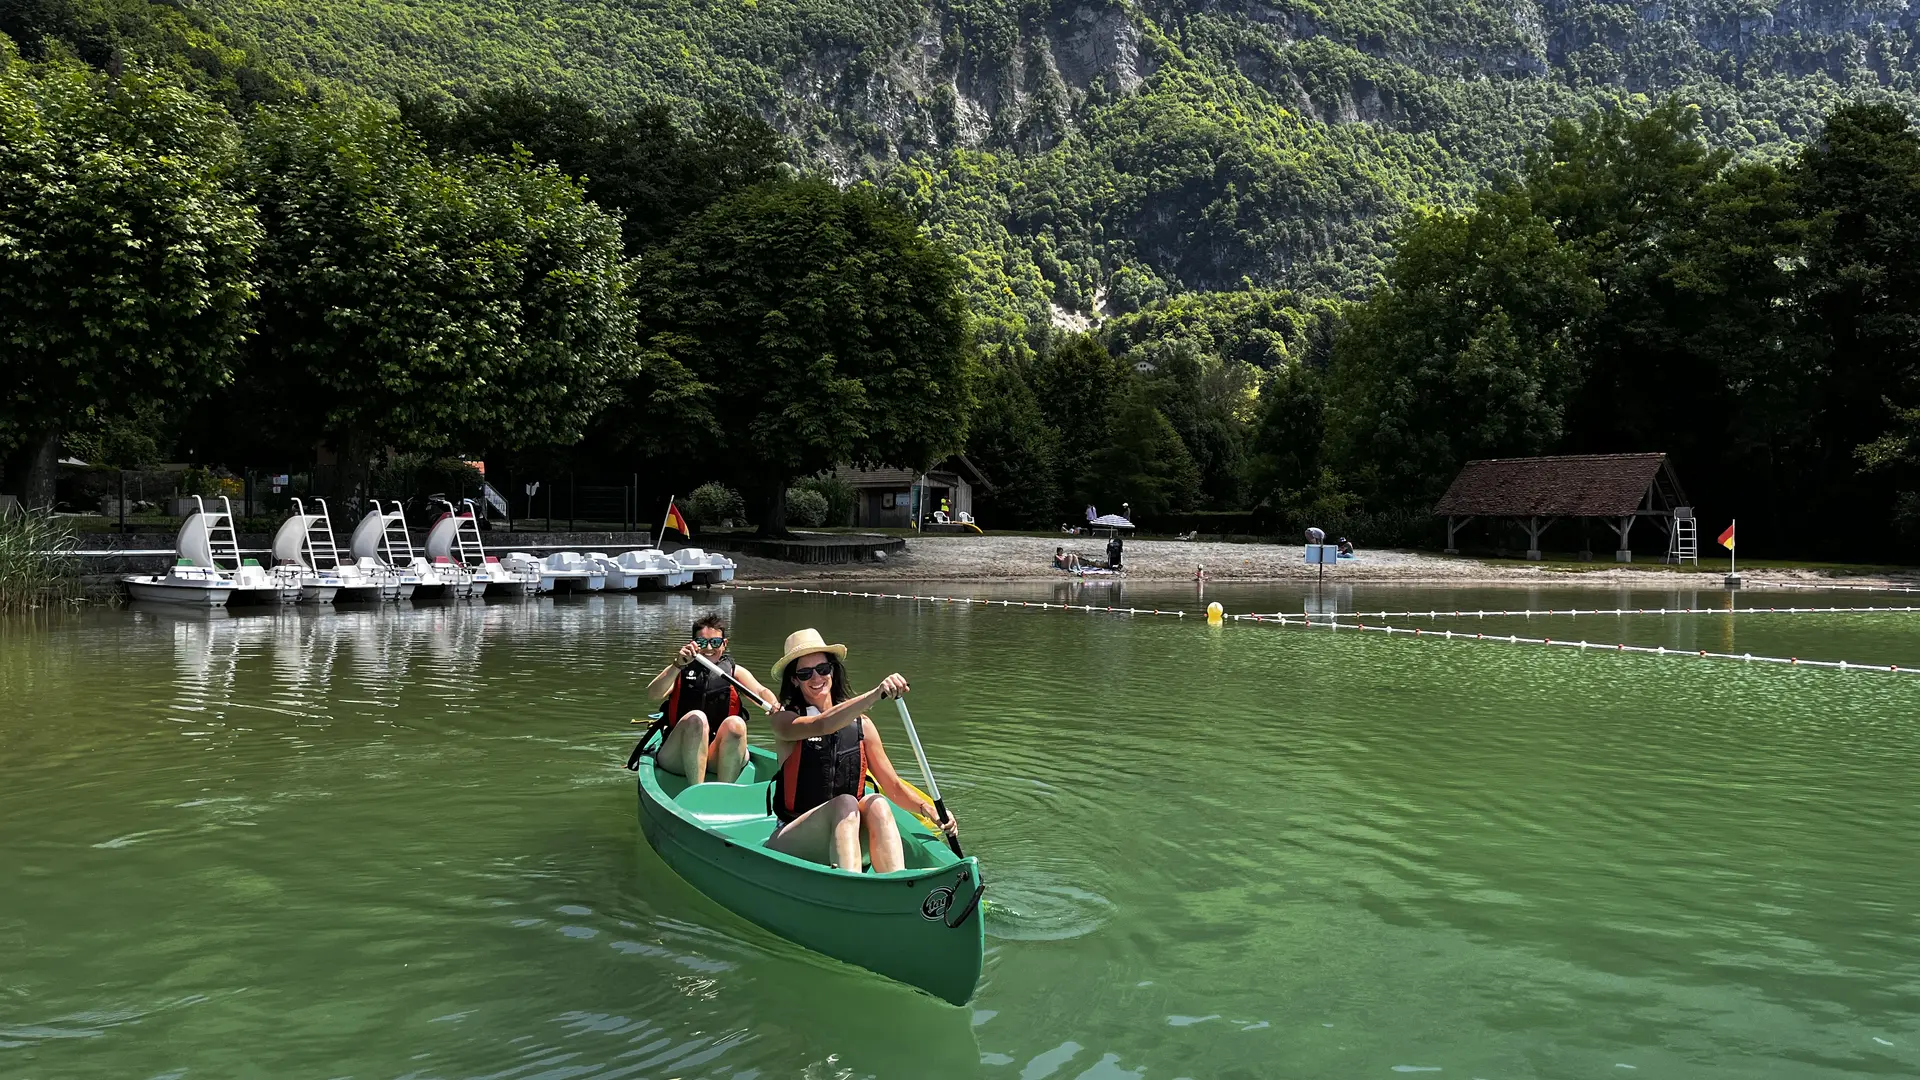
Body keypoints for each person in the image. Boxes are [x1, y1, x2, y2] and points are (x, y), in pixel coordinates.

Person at [764, 628, 957, 873]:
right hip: (794, 837)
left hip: (847, 831)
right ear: (794, 680)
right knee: (845, 803)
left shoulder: (862, 725)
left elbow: (893, 786)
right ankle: (851, 887)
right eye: (805, 673)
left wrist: (930, 810)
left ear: (832, 671)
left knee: (876, 802)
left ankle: (898, 883)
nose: (816, 678)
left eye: (823, 669)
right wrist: (876, 693)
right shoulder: (784, 720)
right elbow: (822, 724)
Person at [643, 613, 775, 784]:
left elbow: (760, 691)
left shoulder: (735, 672)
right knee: (696, 718)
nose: (709, 648)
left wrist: (775, 705)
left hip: (718, 756)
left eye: (715, 642)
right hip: (679, 757)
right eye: (702, 643)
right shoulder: (680, 669)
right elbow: (653, 694)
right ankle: (697, 790)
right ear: (693, 644)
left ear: (724, 644)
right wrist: (677, 665)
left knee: (736, 724)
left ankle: (725, 790)